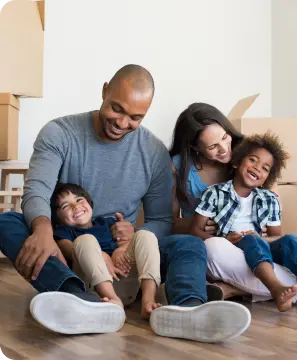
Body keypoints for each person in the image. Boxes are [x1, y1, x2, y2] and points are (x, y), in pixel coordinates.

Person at [0, 65, 250, 342]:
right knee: (7, 223)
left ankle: (187, 310)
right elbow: (37, 189)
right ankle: (78, 299)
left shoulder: (154, 153)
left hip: (126, 260)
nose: (121, 123)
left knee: (188, 244)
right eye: (116, 109)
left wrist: (127, 243)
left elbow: (161, 220)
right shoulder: (60, 133)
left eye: (135, 117)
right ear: (105, 90)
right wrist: (43, 230)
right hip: (67, 249)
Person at [169, 102, 297, 305]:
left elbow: (275, 228)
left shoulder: (252, 155)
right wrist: (209, 228)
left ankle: (234, 289)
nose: (225, 149)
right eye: (213, 146)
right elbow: (171, 222)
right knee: (215, 247)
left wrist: (265, 236)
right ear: (195, 147)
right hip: (222, 250)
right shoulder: (190, 175)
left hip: (260, 248)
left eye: (225, 137)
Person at [191, 132, 297, 313]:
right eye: (253, 160)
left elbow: (275, 238)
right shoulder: (215, 193)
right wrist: (225, 239)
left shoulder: (269, 199)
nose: (257, 168)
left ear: (268, 178)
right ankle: (288, 289)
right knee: (218, 245)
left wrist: (262, 239)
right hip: (232, 252)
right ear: (236, 162)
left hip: (263, 254)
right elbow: (195, 231)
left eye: (265, 168)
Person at [51, 182, 161, 319]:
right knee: (85, 240)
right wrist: (102, 256)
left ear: (89, 203)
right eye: (66, 206)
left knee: (145, 235)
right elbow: (67, 249)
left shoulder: (106, 222)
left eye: (79, 200)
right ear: (58, 218)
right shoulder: (64, 232)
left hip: (125, 280)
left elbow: (127, 242)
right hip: (95, 289)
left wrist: (120, 250)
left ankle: (148, 301)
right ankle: (113, 300)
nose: (76, 206)